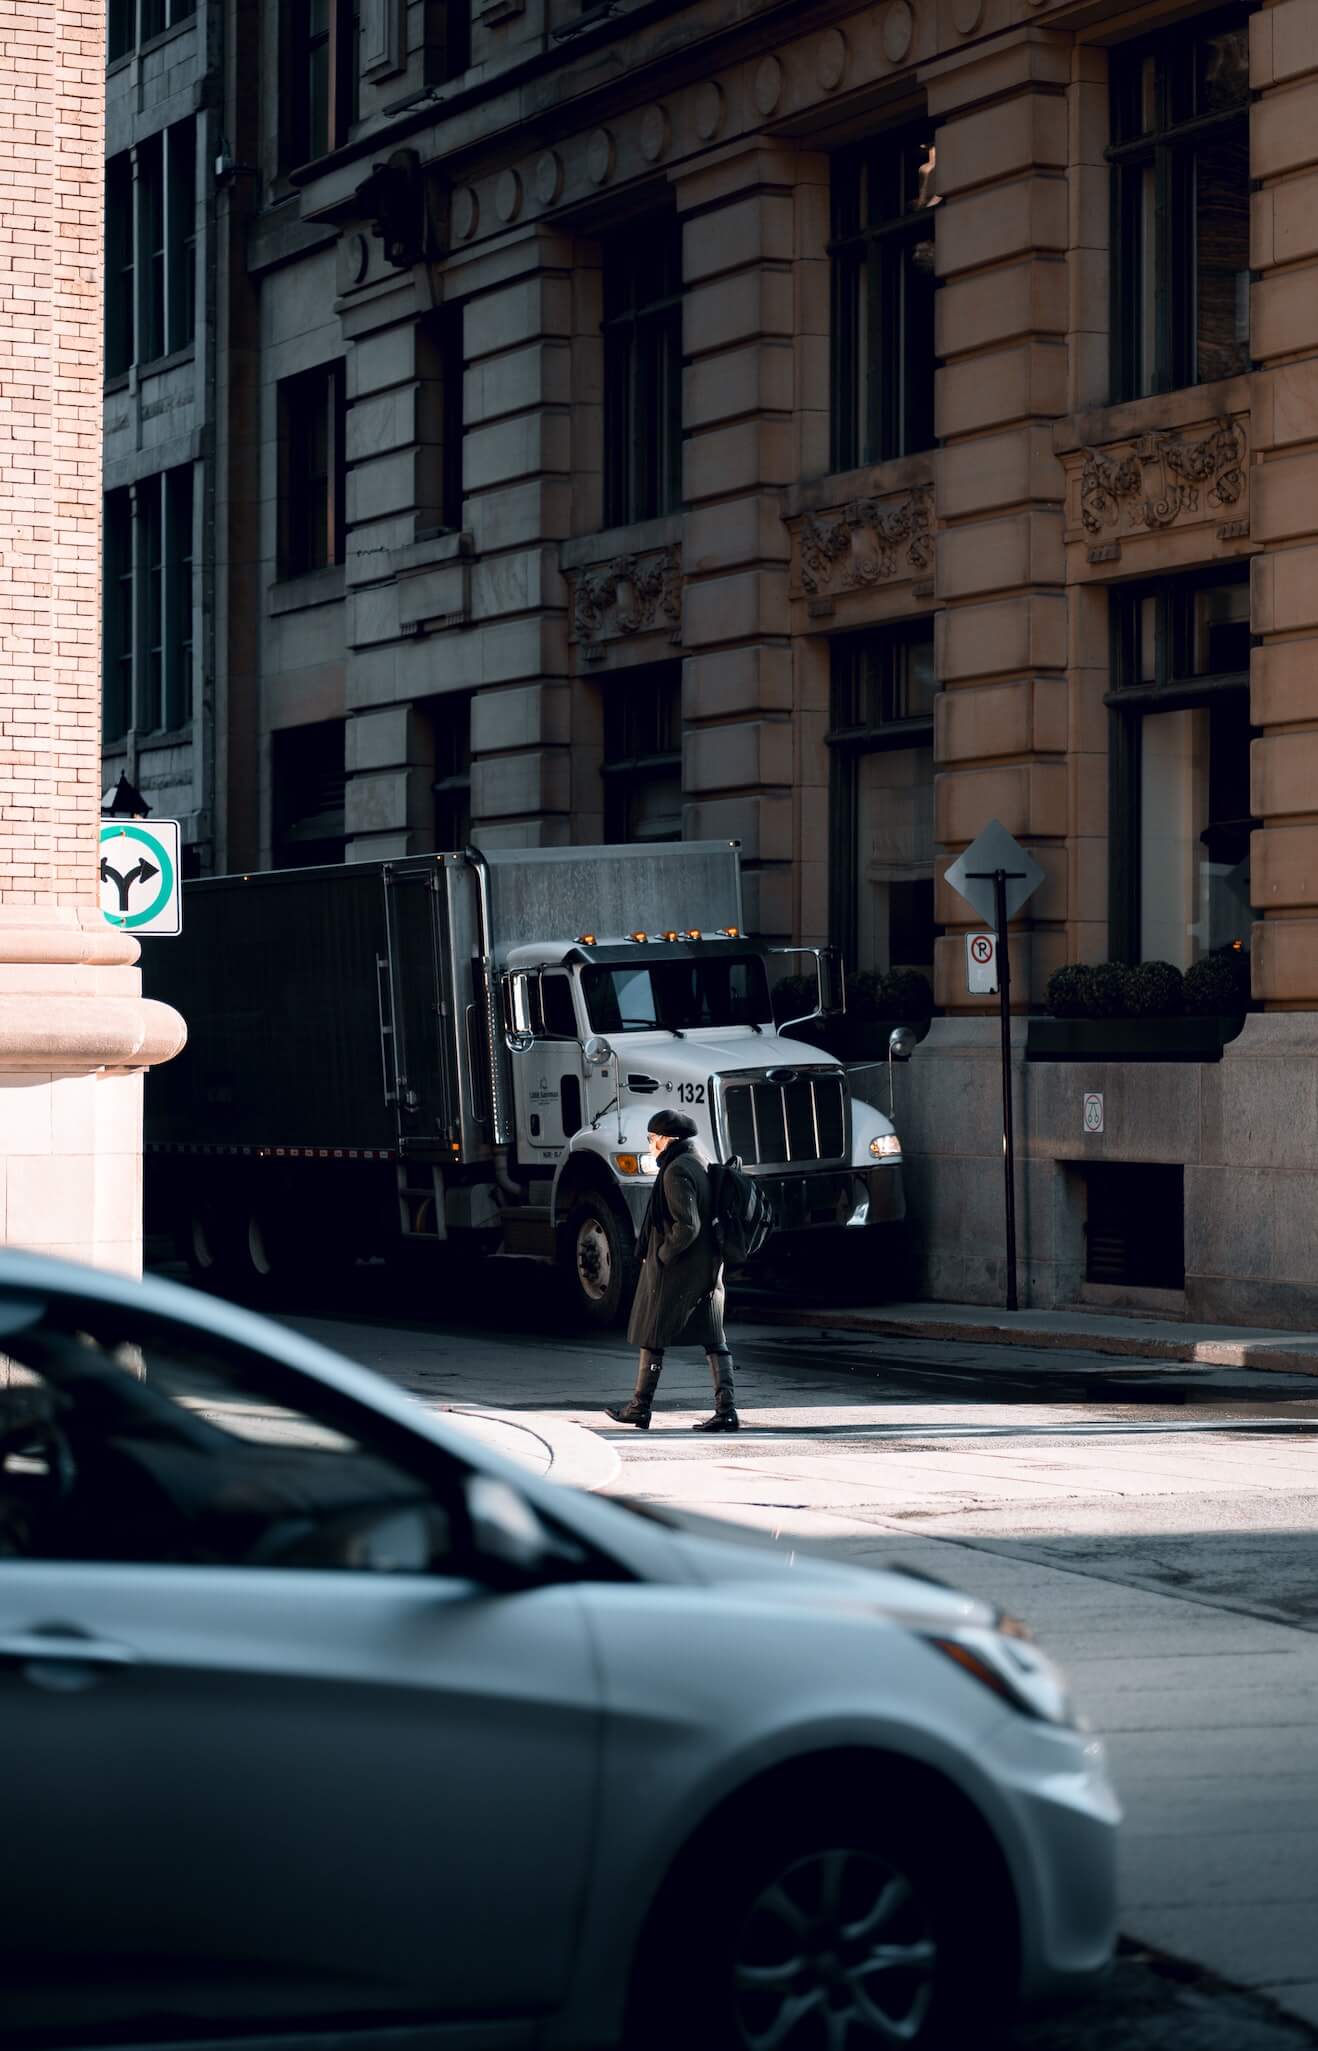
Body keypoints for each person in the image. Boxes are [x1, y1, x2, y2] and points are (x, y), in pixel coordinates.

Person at [606, 1109, 738, 1434]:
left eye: (652, 1139)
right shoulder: (699, 1159)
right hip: (707, 1267)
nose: (650, 1145)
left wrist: (662, 1255)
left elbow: (687, 1225)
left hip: (680, 1271)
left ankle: (640, 1407)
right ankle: (727, 1410)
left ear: (668, 1139)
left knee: (653, 1336)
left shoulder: (676, 1170)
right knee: (713, 1339)